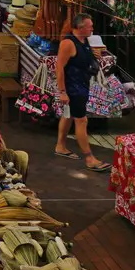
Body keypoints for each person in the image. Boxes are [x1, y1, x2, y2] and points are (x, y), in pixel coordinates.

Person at [53, 12, 109, 172]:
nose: (92, 28)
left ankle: (60, 146)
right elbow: (60, 68)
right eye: (90, 26)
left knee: (68, 115)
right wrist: (62, 91)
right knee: (81, 121)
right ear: (80, 27)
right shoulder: (68, 43)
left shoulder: (84, 42)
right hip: (73, 88)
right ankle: (89, 157)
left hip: (82, 85)